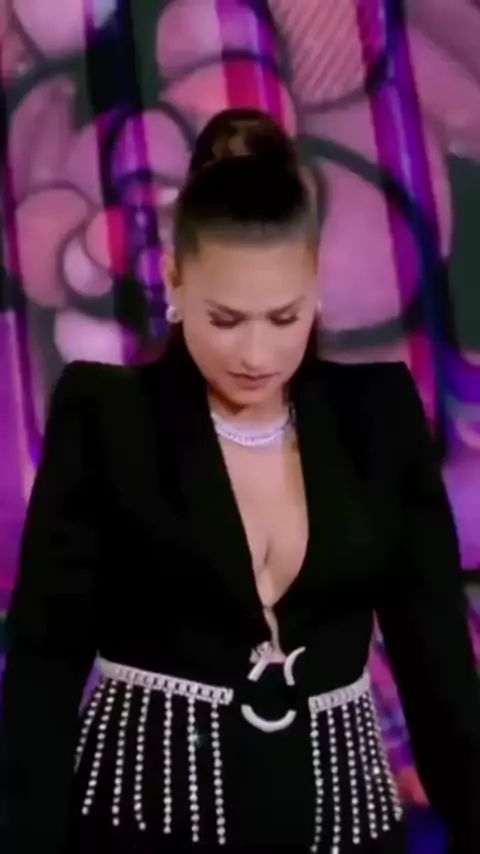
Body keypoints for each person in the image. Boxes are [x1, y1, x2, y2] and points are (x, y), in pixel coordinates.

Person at [2, 107, 480, 854]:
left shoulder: (378, 417)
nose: (257, 354)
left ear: (314, 285)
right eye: (226, 320)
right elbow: (45, 660)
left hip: (344, 839)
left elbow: (438, 667)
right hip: (143, 838)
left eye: (283, 318)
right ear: (174, 279)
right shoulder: (108, 415)